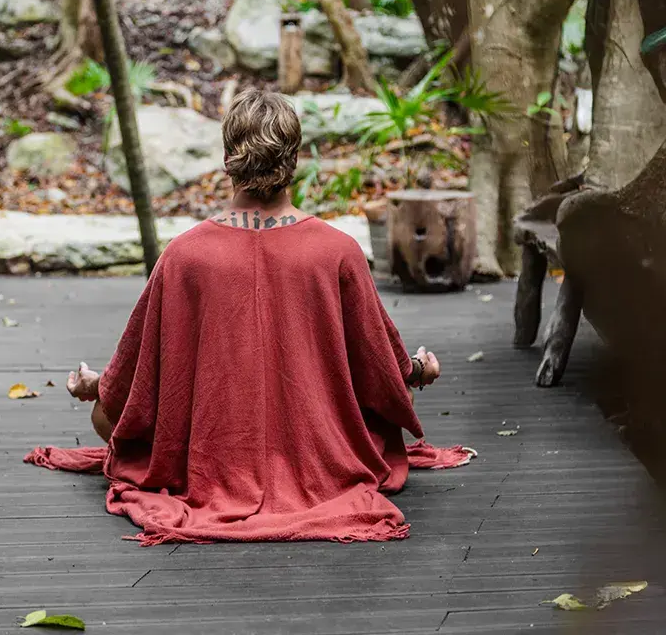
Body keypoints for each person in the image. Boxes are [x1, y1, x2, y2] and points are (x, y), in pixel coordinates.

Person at [47, 89, 461, 546]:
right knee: (395, 405)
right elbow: (384, 373)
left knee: (107, 417)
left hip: (209, 458)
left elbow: (133, 381)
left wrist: (95, 386)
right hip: (320, 453)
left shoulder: (185, 255)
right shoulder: (339, 251)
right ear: (294, 159)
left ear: (228, 158)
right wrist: (421, 371)